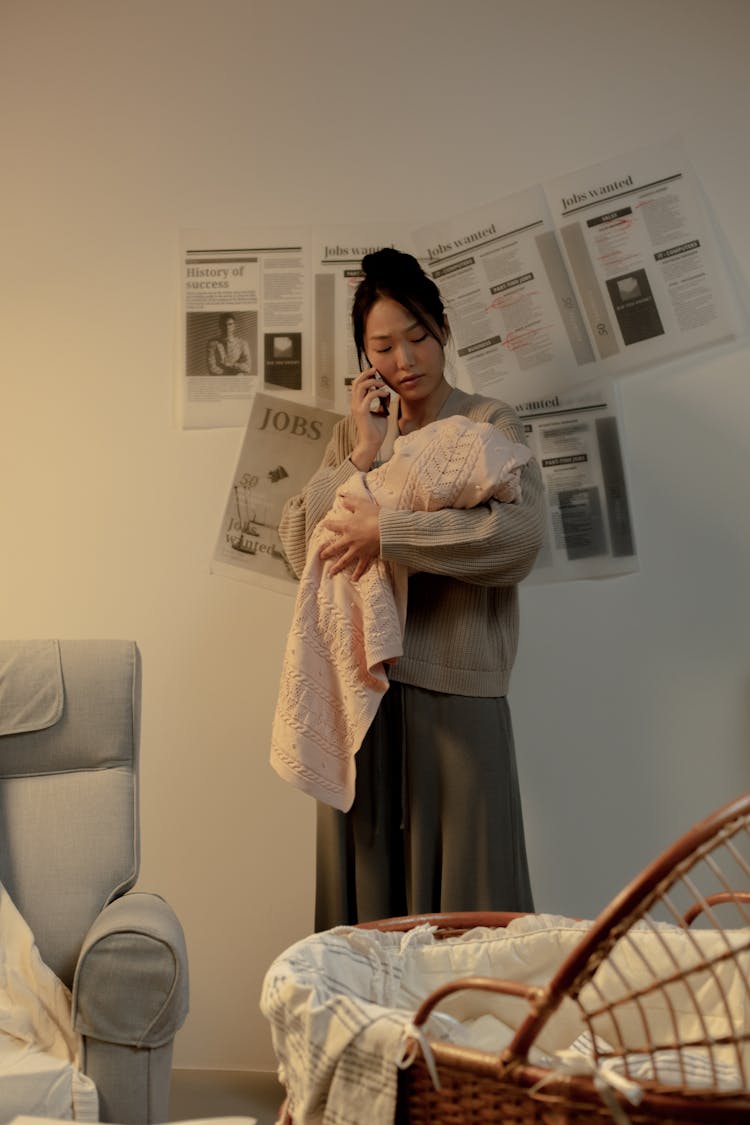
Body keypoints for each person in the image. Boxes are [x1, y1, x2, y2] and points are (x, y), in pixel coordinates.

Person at [278, 248, 545, 930]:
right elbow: (297, 545)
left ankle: (479, 1042)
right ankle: (377, 1043)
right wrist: (363, 452)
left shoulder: (489, 423)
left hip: (461, 700)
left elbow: (517, 539)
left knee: (473, 919)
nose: (405, 359)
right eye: (384, 346)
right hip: (361, 696)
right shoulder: (355, 432)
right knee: (368, 920)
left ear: (444, 329)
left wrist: (389, 534)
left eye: (418, 335)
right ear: (365, 358)